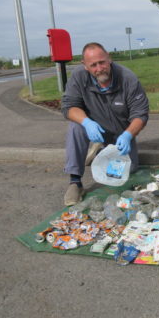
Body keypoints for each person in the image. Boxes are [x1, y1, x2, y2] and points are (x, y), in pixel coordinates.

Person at [61, 42, 149, 205]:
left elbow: (140, 114)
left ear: (109, 58)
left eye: (102, 62)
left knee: (127, 170)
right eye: (93, 65)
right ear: (85, 66)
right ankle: (75, 182)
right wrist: (86, 122)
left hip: (120, 132)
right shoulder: (79, 76)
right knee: (76, 126)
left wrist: (128, 134)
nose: (99, 68)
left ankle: (99, 150)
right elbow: (69, 107)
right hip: (94, 127)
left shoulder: (127, 78)